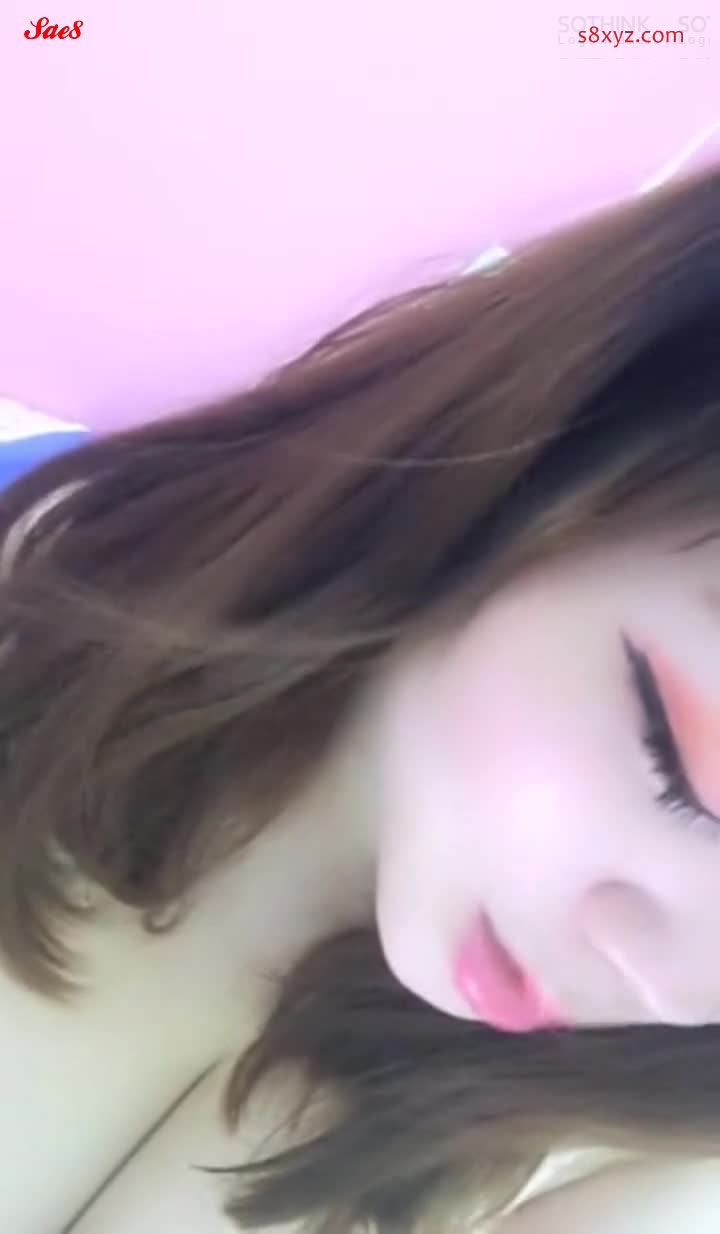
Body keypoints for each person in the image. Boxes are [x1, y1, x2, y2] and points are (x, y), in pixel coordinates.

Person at [2, 165, 720, 1234]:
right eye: (681, 772)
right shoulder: (40, 587)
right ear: (580, 451)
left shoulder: (630, 1171)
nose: (673, 988)